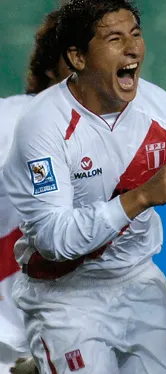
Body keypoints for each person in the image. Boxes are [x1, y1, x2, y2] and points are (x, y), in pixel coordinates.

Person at [4, 0, 166, 373]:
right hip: (64, 299)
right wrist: (139, 197)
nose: (132, 48)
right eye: (115, 38)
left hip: (139, 285)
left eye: (136, 35)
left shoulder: (159, 109)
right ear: (76, 58)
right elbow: (53, 239)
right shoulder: (43, 125)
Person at [0, 9, 72, 374]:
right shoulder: (9, 121)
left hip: (84, 328)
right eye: (74, 53)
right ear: (50, 66)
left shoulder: (125, 129)